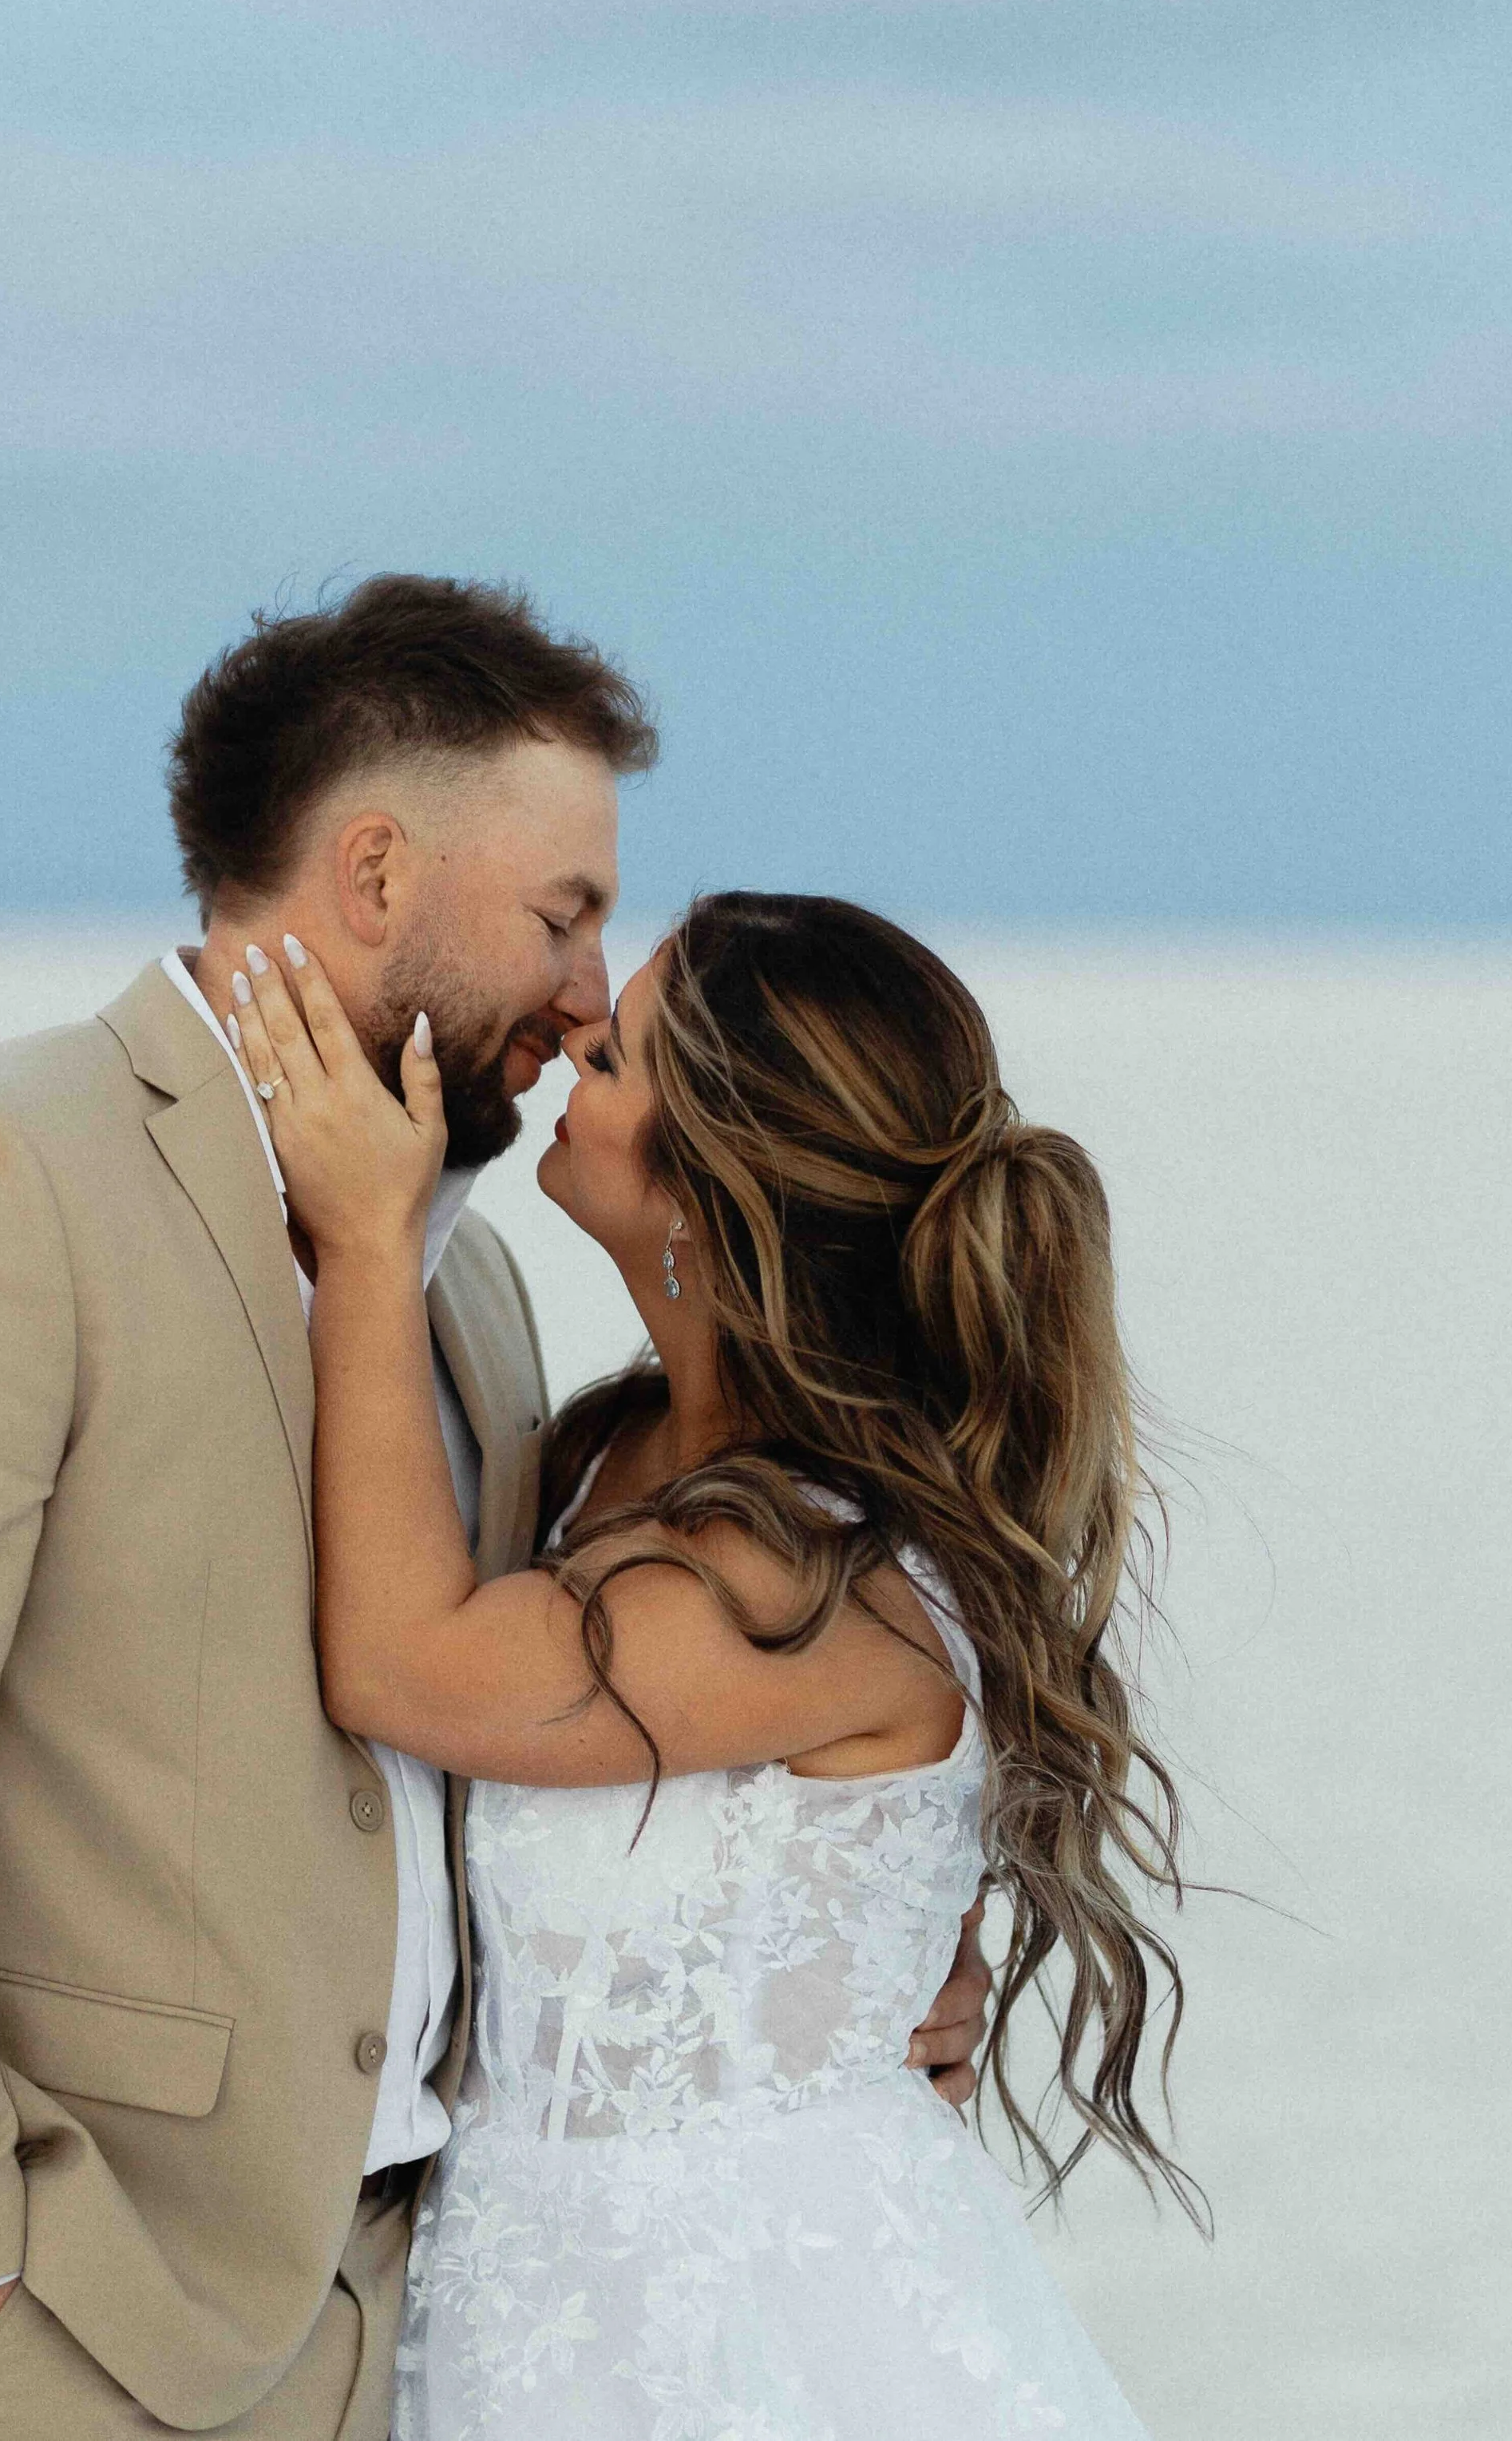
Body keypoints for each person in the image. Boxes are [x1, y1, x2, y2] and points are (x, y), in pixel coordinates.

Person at [0, 579, 992, 2439]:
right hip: (58, 2323)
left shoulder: (462, 1280)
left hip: (411, 2319)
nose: (585, 995)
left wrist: (857, 1967)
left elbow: (560, 1745)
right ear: (373, 874)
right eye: (561, 916)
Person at [224, 888, 1194, 2439]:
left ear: (707, 1186)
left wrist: (365, 1237)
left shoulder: (796, 1577)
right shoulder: (612, 1451)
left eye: (613, 1058)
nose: (570, 1052)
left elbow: (405, 1668)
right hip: (532, 2300)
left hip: (754, 2338)